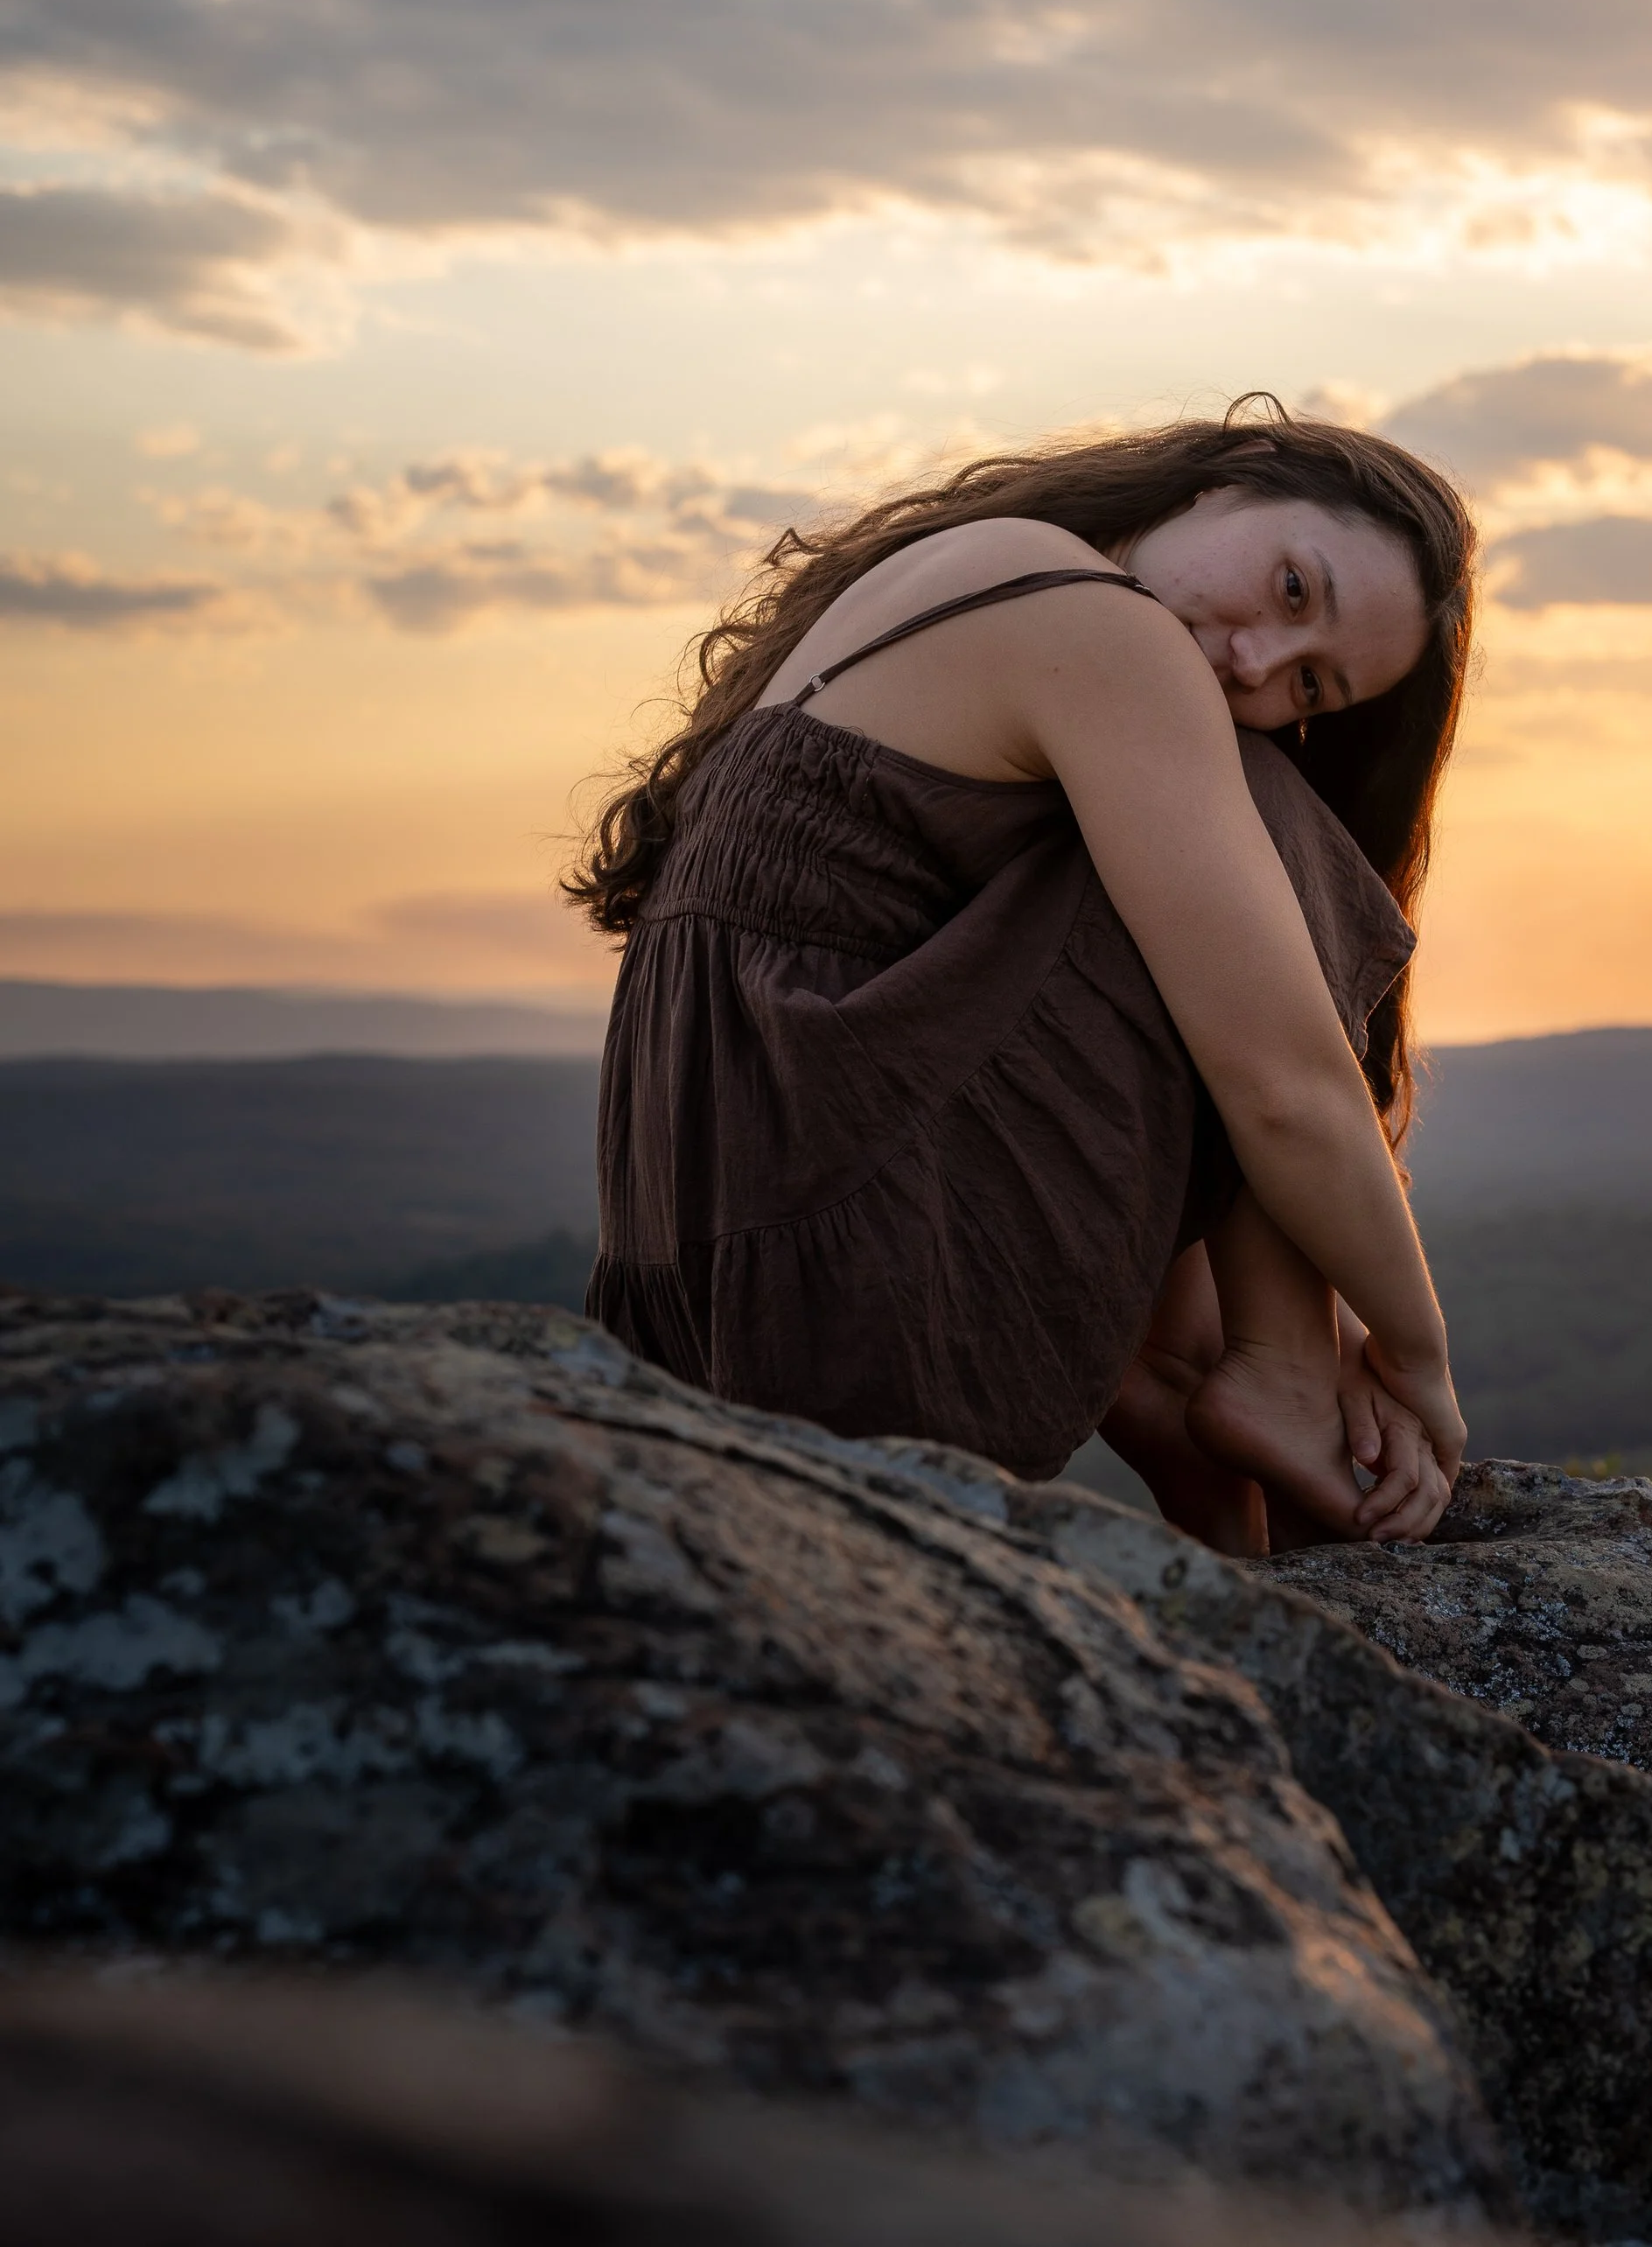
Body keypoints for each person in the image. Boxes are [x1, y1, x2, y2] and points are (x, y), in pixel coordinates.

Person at [568, 396, 1475, 1553]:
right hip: (840, 1283)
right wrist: (1419, 1360)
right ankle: (1277, 1374)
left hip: (720, 1295)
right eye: (1295, 590)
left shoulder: (975, 567)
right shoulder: (1098, 628)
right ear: (1230, 479)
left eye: (1307, 688)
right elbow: (1286, 1087)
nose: (1255, 660)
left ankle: (1204, 1403)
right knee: (1255, 811)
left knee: (1207, 851)